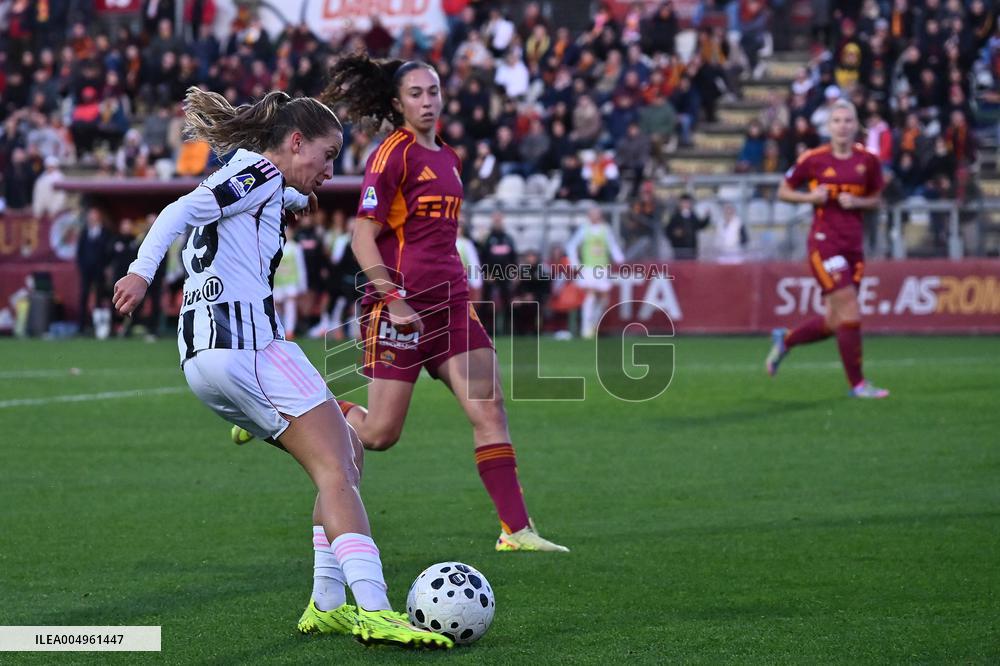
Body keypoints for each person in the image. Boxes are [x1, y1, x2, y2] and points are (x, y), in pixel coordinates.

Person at [112, 86, 452, 649]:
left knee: (351, 448)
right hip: (249, 349)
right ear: (295, 142)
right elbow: (178, 210)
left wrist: (292, 200)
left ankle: (326, 604)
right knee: (336, 470)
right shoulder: (259, 176)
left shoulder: (257, 181)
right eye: (328, 154)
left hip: (204, 359)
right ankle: (376, 608)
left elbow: (240, 207)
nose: (329, 168)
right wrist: (142, 271)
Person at [306, 55, 567, 552]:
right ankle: (303, 405)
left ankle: (517, 530)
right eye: (416, 94)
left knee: (490, 409)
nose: (428, 101)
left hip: (451, 305)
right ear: (398, 102)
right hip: (398, 307)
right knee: (381, 434)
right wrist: (394, 297)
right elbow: (363, 238)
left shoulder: (449, 158)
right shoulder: (392, 154)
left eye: (434, 91)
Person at [767, 99, 889, 399]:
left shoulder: (868, 160)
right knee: (850, 307)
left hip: (853, 246)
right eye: (837, 121)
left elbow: (877, 199)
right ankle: (858, 385)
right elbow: (783, 191)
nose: (842, 126)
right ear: (828, 126)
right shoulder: (814, 159)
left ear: (856, 125)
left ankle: (787, 340)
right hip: (824, 243)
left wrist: (858, 202)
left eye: (848, 121)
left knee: (836, 321)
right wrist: (811, 199)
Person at [565, 205, 625, 339]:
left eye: (596, 214)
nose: (594, 216)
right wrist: (575, 264)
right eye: (592, 214)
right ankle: (586, 328)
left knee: (604, 299)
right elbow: (571, 246)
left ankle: (594, 322)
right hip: (588, 268)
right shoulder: (584, 229)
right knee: (590, 295)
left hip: (602, 268)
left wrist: (620, 259)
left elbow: (612, 245)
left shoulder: (605, 229)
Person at [664, 193, 709, 260]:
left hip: (692, 249)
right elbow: (667, 231)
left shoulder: (693, 216)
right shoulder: (675, 216)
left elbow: (699, 226)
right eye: (684, 202)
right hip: (679, 249)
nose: (686, 204)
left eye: (688, 202)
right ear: (680, 204)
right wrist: (674, 234)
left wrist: (707, 217)